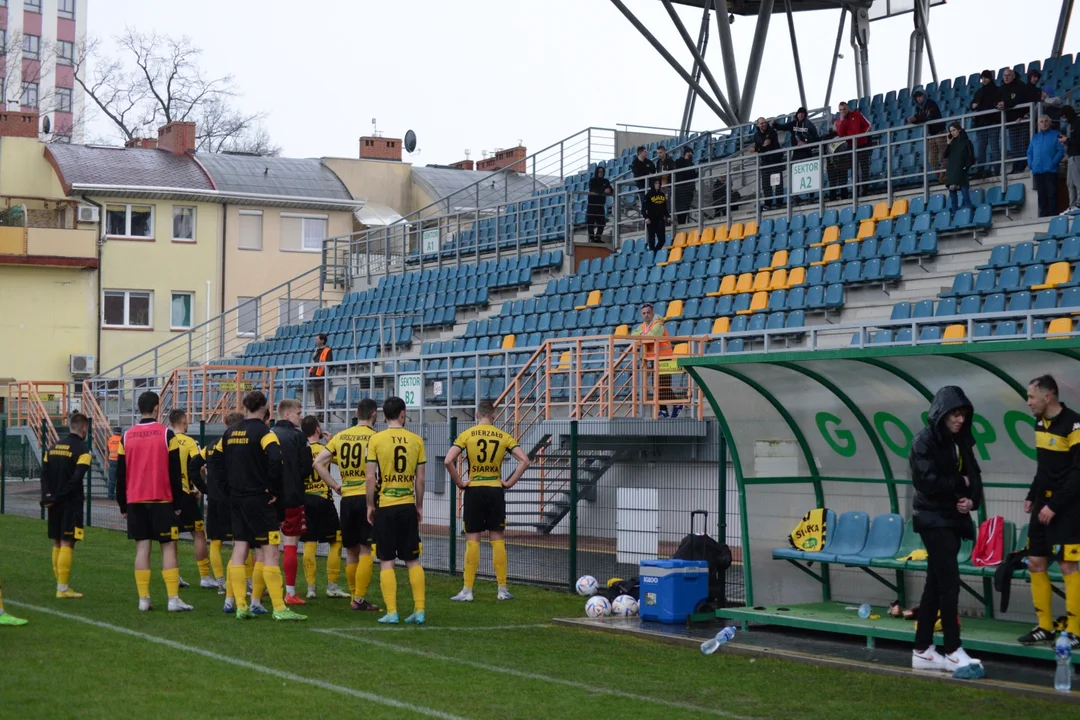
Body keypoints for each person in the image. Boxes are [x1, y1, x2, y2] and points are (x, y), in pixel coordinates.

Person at [909, 386, 983, 671]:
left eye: (963, 414)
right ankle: (952, 649)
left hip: (952, 518)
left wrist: (970, 501)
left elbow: (974, 477)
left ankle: (923, 649)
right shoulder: (923, 442)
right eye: (954, 413)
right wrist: (958, 483)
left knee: (935, 584)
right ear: (941, 414)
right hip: (932, 519)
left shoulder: (961, 441)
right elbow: (928, 482)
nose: (960, 419)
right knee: (949, 584)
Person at [223, 391, 305, 621]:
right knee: (269, 551)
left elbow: (216, 461)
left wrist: (226, 489)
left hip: (237, 498)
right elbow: (276, 463)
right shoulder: (265, 433)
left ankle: (240, 605)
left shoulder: (230, 433)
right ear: (264, 408)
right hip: (259, 499)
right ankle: (279, 608)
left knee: (239, 549)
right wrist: (273, 491)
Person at [445, 401, 531, 602]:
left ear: (477, 415)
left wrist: (460, 482)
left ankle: (467, 590)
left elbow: (448, 460)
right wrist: (508, 483)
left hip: (474, 490)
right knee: (497, 538)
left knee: (472, 539)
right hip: (495, 489)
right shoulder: (503, 436)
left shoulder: (467, 434)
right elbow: (525, 461)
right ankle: (502, 589)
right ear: (494, 415)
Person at [1018, 375, 1080, 649]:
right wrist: (1033, 495)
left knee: (1068, 565)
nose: (1028, 402)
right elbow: (1044, 468)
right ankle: (1044, 626)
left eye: (1031, 396)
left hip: (1067, 508)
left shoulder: (1074, 424)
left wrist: (1054, 505)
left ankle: (1075, 630)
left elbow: (1078, 474)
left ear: (1048, 396)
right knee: (1035, 562)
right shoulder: (1039, 423)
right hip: (1043, 505)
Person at [115, 391, 191, 612]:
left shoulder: (127, 436)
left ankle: (143, 599)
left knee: (142, 549)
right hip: (162, 499)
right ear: (157, 408)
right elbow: (175, 472)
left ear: (139, 408)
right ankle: (173, 599)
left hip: (136, 500)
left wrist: (122, 503)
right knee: (168, 548)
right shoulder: (167, 434)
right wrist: (178, 503)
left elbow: (121, 473)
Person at [366, 396, 427, 625]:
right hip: (407, 504)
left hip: (387, 506)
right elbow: (420, 480)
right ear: (402, 414)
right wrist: (419, 505)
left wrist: (370, 505)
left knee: (386, 560)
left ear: (383, 415)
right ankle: (419, 610)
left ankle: (392, 612)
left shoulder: (376, 440)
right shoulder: (416, 440)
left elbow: (371, 476)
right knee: (413, 559)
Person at [314, 398, 380, 610]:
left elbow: (317, 463)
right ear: (374, 415)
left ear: (356, 414)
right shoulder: (377, 437)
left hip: (347, 497)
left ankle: (354, 596)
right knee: (367, 549)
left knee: (351, 550)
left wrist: (335, 486)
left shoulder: (341, 437)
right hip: (368, 496)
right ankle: (359, 598)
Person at [189, 411, 244, 607]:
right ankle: (246, 581)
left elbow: (193, 465)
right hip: (235, 500)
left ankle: (221, 582)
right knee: (242, 542)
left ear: (225, 424)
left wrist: (205, 489)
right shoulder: (237, 446)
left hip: (214, 501)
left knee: (216, 542)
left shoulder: (211, 447)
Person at [41, 412, 90, 600]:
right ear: (84, 428)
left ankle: (60, 584)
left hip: (53, 502)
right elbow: (76, 480)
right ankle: (62, 588)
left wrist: (48, 496)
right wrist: (59, 496)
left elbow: (44, 475)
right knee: (68, 542)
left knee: (57, 541)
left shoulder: (52, 447)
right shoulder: (83, 450)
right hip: (70, 502)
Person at [271, 398, 313, 606]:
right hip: (292, 495)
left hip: (269, 497)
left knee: (264, 545)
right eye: (298, 412)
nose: (301, 416)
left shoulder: (268, 435)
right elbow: (307, 468)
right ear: (287, 414)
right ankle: (289, 592)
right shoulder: (298, 437)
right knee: (290, 543)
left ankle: (259, 591)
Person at [168, 410, 215, 590]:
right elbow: (198, 467)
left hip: (168, 494)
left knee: (172, 537)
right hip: (185, 493)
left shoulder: (165, 439)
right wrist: (199, 487)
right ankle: (204, 576)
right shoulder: (189, 442)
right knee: (198, 533)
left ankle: (174, 575)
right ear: (183, 421)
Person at [300, 415, 344, 601]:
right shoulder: (324, 450)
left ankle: (311, 587)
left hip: (305, 500)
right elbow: (342, 461)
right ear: (317, 430)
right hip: (324, 500)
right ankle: (332, 585)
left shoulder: (300, 450)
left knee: (309, 543)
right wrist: (332, 442)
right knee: (336, 541)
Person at [630, 302, 677, 418]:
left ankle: (674, 405)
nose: (646, 315)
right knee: (656, 385)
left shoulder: (658, 323)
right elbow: (633, 333)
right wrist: (643, 333)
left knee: (662, 385)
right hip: (654, 358)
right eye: (644, 313)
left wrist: (642, 335)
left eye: (648, 313)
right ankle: (665, 409)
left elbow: (653, 335)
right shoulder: (644, 326)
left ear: (653, 313)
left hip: (665, 357)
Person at [998, 67, 1040, 174]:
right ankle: (1016, 167)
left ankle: (1023, 165)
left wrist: (1006, 104)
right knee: (1014, 145)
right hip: (1011, 122)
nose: (1006, 78)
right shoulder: (1001, 88)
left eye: (1008, 75)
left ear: (1013, 76)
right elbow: (995, 100)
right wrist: (997, 104)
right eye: (1004, 76)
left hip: (1022, 120)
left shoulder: (1020, 86)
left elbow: (1019, 99)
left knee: (1022, 144)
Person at [829, 101, 871, 199]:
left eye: (844, 109)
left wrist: (862, 136)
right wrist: (843, 120)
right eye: (840, 110)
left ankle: (864, 191)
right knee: (854, 169)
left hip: (862, 144)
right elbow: (840, 134)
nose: (842, 111)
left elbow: (868, 125)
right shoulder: (839, 120)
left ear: (848, 108)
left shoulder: (857, 114)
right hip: (851, 146)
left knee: (864, 169)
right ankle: (856, 192)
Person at [1028, 115, 1064, 217]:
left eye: (1046, 121)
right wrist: (1031, 164)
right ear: (1038, 124)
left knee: (1052, 193)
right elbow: (1030, 152)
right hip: (1037, 170)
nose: (1044, 123)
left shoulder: (1056, 135)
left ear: (1050, 123)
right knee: (1041, 194)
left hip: (1050, 170)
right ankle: (1043, 215)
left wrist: (1053, 162)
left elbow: (1061, 150)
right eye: (1041, 121)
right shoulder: (1035, 137)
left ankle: (1053, 214)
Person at [908, 90, 946, 183]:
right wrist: (913, 119)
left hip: (940, 132)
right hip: (931, 135)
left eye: (920, 96)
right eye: (917, 97)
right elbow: (919, 118)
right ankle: (940, 178)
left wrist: (916, 118)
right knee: (932, 159)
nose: (918, 98)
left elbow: (928, 117)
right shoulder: (919, 108)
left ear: (924, 96)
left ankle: (944, 178)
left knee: (943, 157)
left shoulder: (931, 103)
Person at [970, 70, 1003, 174]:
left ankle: (996, 170)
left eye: (986, 78)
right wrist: (973, 105)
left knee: (994, 147)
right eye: (982, 78)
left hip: (992, 122)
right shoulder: (979, 92)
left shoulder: (997, 90)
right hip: (981, 123)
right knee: (981, 148)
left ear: (990, 78)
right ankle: (980, 171)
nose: (984, 80)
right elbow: (972, 104)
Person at [942, 122, 975, 213]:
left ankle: (970, 211)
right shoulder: (952, 144)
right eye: (951, 131)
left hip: (962, 169)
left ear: (959, 130)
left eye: (954, 130)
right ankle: (955, 214)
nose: (952, 133)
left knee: (965, 193)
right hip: (952, 170)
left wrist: (966, 167)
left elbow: (971, 157)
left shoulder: (967, 142)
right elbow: (945, 155)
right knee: (952, 195)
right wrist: (948, 143)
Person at [752, 117, 784, 209]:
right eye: (761, 123)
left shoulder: (772, 131)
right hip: (765, 162)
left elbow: (767, 143)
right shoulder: (756, 135)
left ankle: (779, 203)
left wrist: (760, 147)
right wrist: (762, 146)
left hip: (775, 161)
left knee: (777, 183)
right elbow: (759, 147)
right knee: (766, 184)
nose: (764, 124)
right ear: (758, 125)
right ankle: (768, 203)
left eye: (765, 122)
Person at [308, 333, 332, 419]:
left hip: (322, 378)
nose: (316, 341)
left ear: (322, 340)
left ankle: (324, 416)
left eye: (317, 339)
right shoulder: (316, 351)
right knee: (317, 400)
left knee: (323, 399)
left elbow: (329, 364)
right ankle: (318, 415)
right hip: (315, 378)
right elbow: (313, 363)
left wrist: (324, 374)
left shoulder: (327, 350)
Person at [642, 178, 670, 253]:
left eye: (659, 183)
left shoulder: (662, 195)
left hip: (660, 219)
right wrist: (646, 218)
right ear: (653, 184)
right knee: (652, 240)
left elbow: (665, 208)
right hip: (651, 219)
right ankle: (652, 254)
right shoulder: (648, 195)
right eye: (656, 183)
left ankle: (655, 252)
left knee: (662, 240)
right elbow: (643, 209)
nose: (658, 185)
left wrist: (668, 216)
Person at [1061, 106, 1080, 214]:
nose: (1064, 119)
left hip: (1077, 155)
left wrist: (1067, 139)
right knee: (1070, 182)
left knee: (1078, 181)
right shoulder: (1070, 125)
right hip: (1071, 156)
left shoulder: (1077, 123)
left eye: (1064, 117)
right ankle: (1072, 205)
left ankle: (1079, 204)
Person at [586, 166, 612, 242]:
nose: (601, 173)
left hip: (600, 205)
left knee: (602, 223)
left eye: (602, 171)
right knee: (590, 222)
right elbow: (594, 189)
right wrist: (604, 190)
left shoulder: (606, 181)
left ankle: (598, 237)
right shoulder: (593, 180)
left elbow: (610, 188)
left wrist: (609, 190)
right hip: (592, 205)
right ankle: (591, 238)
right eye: (599, 171)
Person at [673, 146, 698, 225]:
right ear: (686, 153)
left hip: (689, 189)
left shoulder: (691, 164)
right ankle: (681, 223)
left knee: (686, 207)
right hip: (681, 188)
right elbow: (683, 173)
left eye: (691, 153)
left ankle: (682, 223)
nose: (691, 154)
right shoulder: (679, 161)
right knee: (680, 207)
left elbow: (692, 175)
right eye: (689, 153)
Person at [631, 146, 655, 214]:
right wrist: (647, 174)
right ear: (640, 152)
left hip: (650, 186)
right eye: (645, 152)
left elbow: (653, 170)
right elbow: (637, 174)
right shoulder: (635, 163)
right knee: (644, 205)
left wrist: (646, 174)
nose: (646, 153)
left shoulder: (649, 162)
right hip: (642, 187)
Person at [106, 427, 121, 501]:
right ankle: (119, 496)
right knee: (120, 479)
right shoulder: (122, 440)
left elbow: (108, 449)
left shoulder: (110, 439)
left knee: (112, 479)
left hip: (112, 460)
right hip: (120, 461)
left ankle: (110, 495)